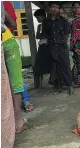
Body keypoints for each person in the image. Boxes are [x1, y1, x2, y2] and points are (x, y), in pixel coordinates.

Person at [2, 1, 27, 134]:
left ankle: (11, 122)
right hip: (7, 41)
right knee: (15, 82)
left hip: (6, 44)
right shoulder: (4, 3)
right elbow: (12, 24)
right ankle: (18, 120)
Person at [42, 2, 74, 95]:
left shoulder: (63, 21)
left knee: (66, 65)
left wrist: (63, 42)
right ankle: (59, 86)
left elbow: (67, 33)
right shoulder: (46, 22)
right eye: (53, 7)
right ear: (50, 8)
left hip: (62, 46)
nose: (54, 9)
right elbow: (45, 34)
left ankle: (70, 85)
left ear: (59, 9)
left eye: (57, 7)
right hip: (52, 47)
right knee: (56, 66)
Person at [1, 3, 15, 147]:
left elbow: (12, 23)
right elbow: (12, 23)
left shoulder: (4, 4)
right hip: (6, 40)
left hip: (6, 41)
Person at [33, 9, 52, 88]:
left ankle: (52, 81)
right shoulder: (39, 26)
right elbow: (37, 36)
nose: (37, 19)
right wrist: (43, 35)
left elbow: (50, 35)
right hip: (41, 47)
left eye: (38, 18)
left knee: (50, 64)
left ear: (43, 16)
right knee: (38, 65)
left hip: (48, 46)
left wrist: (44, 35)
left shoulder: (49, 23)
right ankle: (39, 84)